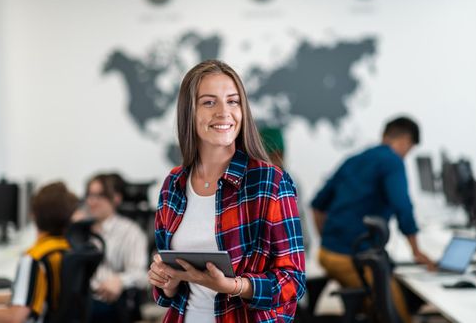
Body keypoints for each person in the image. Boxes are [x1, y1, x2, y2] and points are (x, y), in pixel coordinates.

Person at [147, 60, 306, 322]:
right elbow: (168, 292)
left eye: (233, 101)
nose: (224, 112)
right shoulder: (173, 184)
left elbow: (293, 282)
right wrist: (166, 280)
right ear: (190, 112)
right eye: (210, 102)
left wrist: (233, 286)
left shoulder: (270, 181)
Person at [310, 116, 435, 323]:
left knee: (378, 307)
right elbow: (402, 206)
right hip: (351, 257)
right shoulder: (392, 161)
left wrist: (329, 239)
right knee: (398, 315)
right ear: (405, 141)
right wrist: (417, 251)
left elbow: (317, 205)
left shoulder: (355, 159)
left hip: (327, 254)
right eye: (409, 149)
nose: (406, 155)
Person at [0, 182, 78, 323]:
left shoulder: (35, 258)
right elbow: (30, 297)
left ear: (34, 215)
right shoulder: (64, 248)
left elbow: (15, 316)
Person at [84, 173, 148, 323]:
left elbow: (140, 274)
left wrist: (120, 280)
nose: (92, 201)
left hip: (109, 303)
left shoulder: (130, 232)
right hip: (81, 299)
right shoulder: (81, 230)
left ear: (116, 199)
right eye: (90, 195)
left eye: (100, 196)